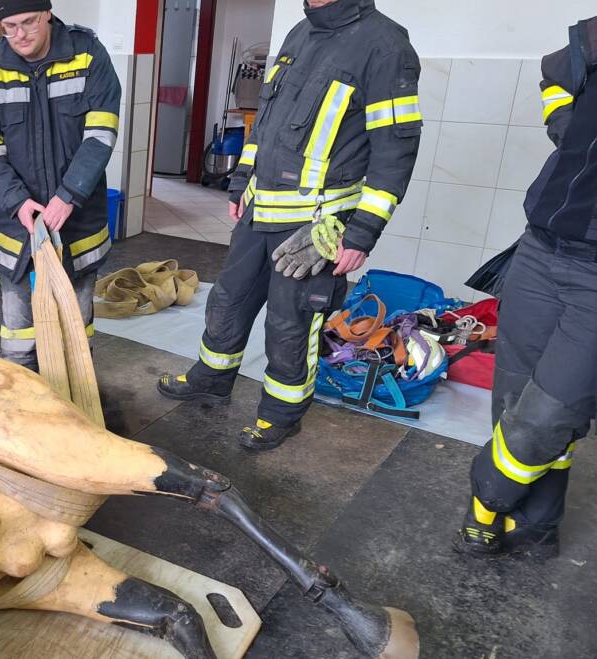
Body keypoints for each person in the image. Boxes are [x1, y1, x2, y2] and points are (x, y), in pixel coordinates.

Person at [156, 0, 422, 450]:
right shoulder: (301, 31)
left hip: (314, 225)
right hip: (261, 208)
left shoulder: (385, 44)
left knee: (290, 322)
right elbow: (266, 120)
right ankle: (212, 379)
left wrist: (360, 232)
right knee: (228, 300)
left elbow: (395, 150)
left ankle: (281, 414)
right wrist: (242, 178)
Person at [456, 16, 597, 560]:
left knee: (551, 413)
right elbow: (555, 72)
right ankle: (537, 523)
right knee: (516, 399)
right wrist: (566, 123)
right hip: (540, 250)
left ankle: (487, 496)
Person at [0, 0, 121, 371]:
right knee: (19, 336)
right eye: (9, 27)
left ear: (47, 13)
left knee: (75, 333)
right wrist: (19, 202)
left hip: (78, 222)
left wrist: (69, 196)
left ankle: (74, 398)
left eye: (29, 22)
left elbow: (100, 136)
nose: (19, 35)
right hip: (16, 226)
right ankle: (24, 396)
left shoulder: (88, 54)